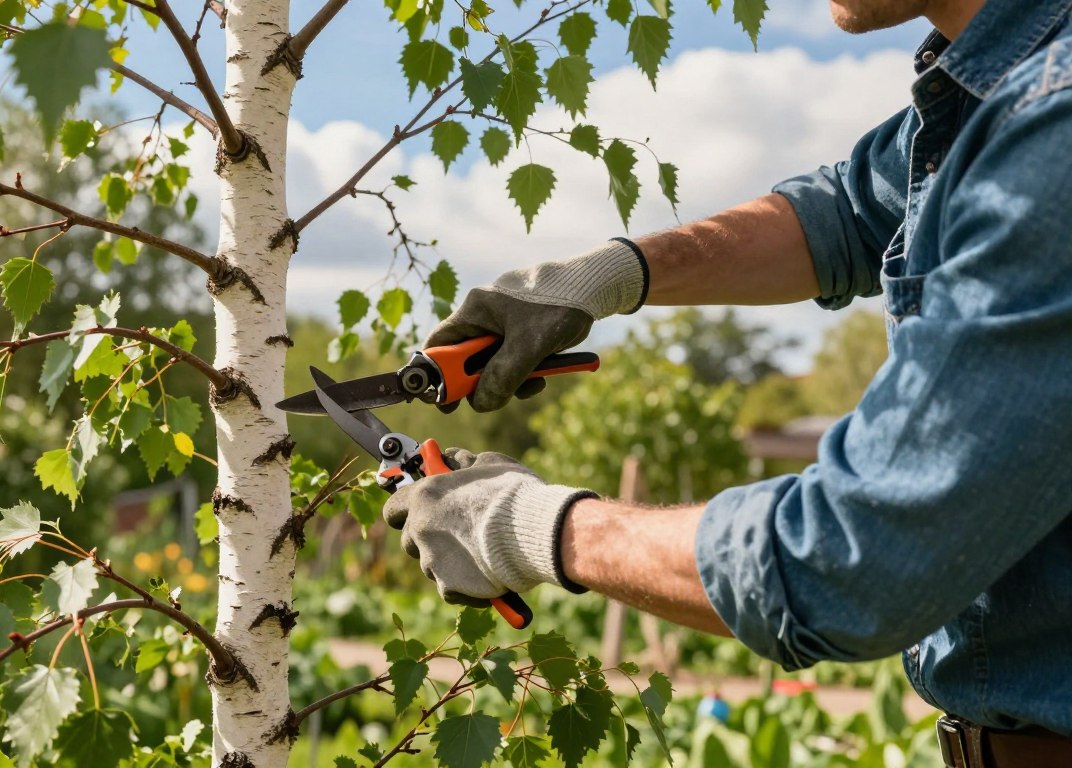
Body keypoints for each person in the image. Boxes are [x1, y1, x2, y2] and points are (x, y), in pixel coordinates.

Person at [381, 0, 1072, 764]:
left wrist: (534, 529)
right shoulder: (998, 87)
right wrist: (609, 275)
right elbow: (846, 209)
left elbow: (852, 560)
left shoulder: (1054, 134)